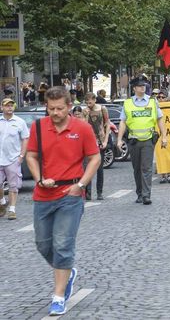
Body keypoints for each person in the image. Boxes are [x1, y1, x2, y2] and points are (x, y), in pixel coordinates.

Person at [25, 87, 100, 316]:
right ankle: (67, 271)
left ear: (69, 106)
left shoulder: (82, 128)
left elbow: (95, 157)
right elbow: (31, 155)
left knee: (63, 245)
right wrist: (38, 179)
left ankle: (58, 296)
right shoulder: (38, 127)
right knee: (43, 244)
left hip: (71, 194)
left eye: (59, 108)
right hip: (43, 194)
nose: (55, 113)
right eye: (51, 109)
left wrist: (81, 185)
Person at [117, 76, 167, 205]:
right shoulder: (128, 103)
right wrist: (119, 140)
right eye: (140, 86)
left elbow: (160, 119)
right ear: (134, 88)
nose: (142, 88)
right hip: (133, 140)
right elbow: (123, 122)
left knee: (147, 168)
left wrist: (164, 136)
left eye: (144, 85)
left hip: (148, 140)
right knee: (137, 169)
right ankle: (139, 193)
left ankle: (146, 195)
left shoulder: (152, 102)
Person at [0, 98, 29, 220]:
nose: (9, 107)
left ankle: (12, 209)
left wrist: (21, 156)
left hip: (13, 159)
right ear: (2, 107)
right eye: (7, 106)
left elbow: (25, 139)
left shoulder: (20, 122)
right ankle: (2, 202)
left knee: (13, 185)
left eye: (11, 105)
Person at [83, 92, 110, 200]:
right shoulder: (85, 111)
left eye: (90, 102)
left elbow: (107, 124)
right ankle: (88, 192)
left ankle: (99, 192)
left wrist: (106, 141)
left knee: (99, 169)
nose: (88, 104)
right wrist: (86, 114)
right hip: (88, 142)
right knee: (87, 168)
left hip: (100, 140)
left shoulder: (102, 109)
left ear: (94, 100)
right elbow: (83, 126)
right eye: (86, 102)